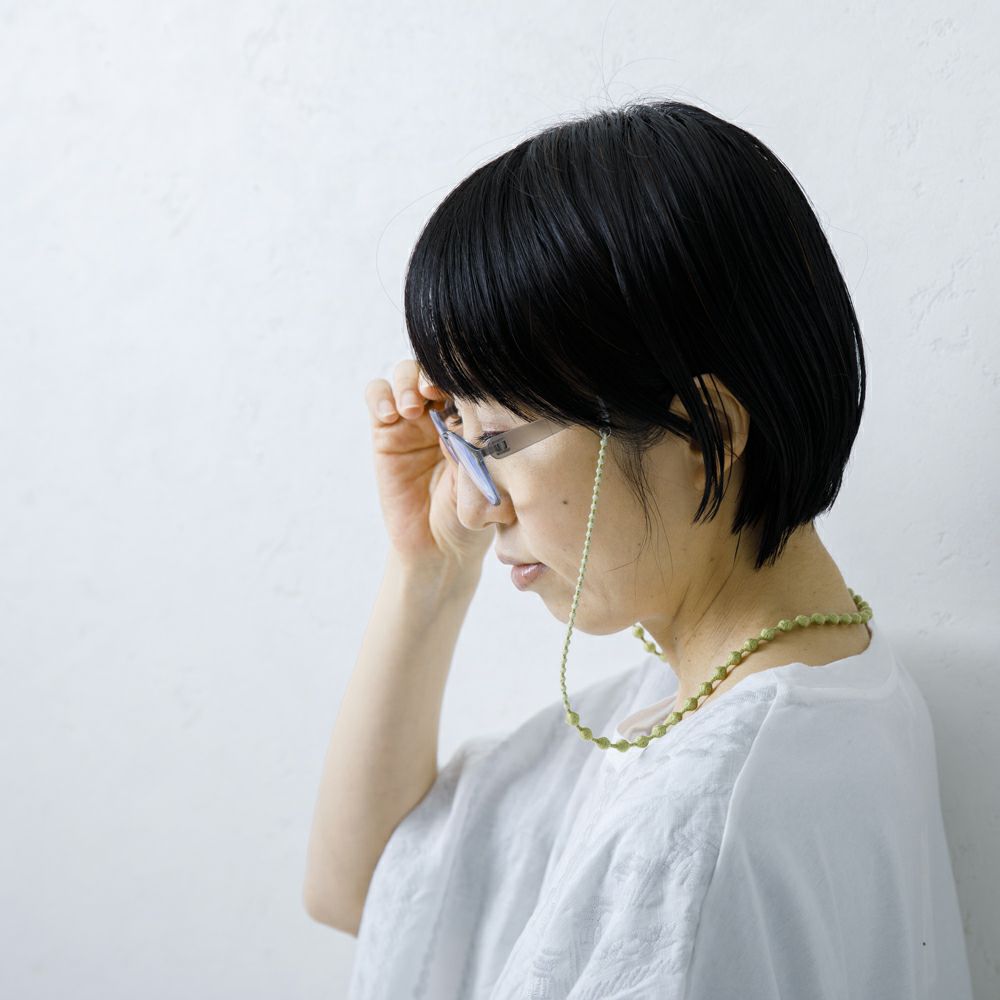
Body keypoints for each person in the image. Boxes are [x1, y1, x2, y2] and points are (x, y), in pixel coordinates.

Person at [303, 100, 974, 999]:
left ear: (705, 431)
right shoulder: (789, 681)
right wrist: (425, 567)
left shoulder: (696, 828)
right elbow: (369, 893)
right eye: (458, 437)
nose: (477, 501)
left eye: (494, 441)